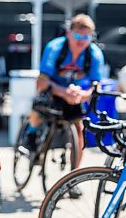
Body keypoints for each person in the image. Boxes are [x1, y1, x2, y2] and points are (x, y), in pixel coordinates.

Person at [33, 14, 105, 194]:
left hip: (75, 95)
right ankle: (31, 135)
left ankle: (73, 179)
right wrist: (63, 92)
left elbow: (97, 85)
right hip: (54, 90)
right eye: (78, 36)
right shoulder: (55, 47)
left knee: (80, 131)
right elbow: (41, 81)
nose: (82, 41)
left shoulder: (94, 53)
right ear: (69, 33)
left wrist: (84, 94)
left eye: (87, 37)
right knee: (37, 110)